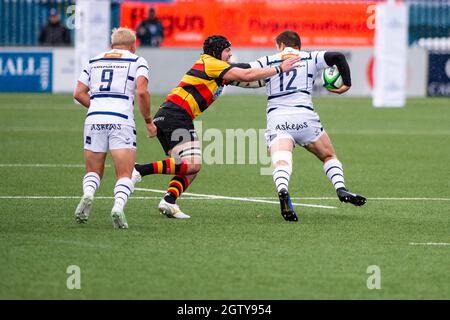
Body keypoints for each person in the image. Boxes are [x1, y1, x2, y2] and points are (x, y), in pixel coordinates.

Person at [132, 35, 300, 219]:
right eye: (227, 50)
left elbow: (246, 75)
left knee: (190, 167)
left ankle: (169, 201)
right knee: (193, 163)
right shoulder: (211, 63)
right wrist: (278, 68)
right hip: (175, 114)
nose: (230, 54)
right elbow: (246, 74)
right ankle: (140, 170)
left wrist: (269, 78)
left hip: (171, 115)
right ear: (216, 52)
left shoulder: (218, 69)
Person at [244, 30, 366, 222]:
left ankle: (283, 189)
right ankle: (340, 188)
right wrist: (347, 84)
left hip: (278, 118)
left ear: (281, 46)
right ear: (298, 46)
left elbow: (245, 72)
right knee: (328, 156)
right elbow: (338, 57)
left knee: (282, 161)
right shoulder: (310, 57)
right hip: (305, 118)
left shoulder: (268, 60)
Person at [73, 27, 157, 229]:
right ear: (133, 46)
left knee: (93, 171)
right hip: (121, 120)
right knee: (124, 173)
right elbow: (142, 91)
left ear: (112, 45)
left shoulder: (94, 60)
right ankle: (118, 207)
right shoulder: (137, 61)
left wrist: (98, 107)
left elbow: (78, 93)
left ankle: (88, 194)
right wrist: (147, 120)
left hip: (94, 119)